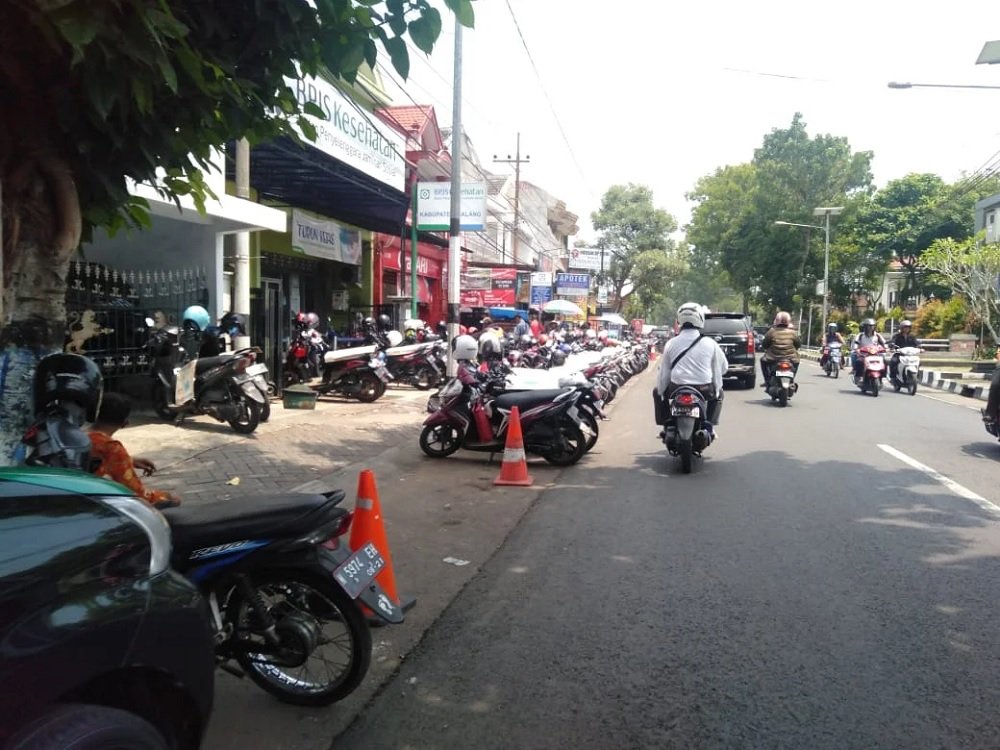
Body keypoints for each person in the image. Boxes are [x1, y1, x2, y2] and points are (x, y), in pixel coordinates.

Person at [88, 392, 181, 508]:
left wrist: (128, 460)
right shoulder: (111, 448)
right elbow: (135, 493)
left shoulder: (81, 437)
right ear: (125, 423)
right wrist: (165, 498)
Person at [653, 302, 727, 435]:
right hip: (703, 388)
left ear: (679, 320)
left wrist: (660, 390)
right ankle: (708, 426)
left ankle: (666, 423)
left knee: (656, 391)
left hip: (676, 387)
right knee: (719, 393)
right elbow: (723, 368)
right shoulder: (710, 343)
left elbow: (664, 373)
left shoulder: (671, 343)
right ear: (700, 319)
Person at [760, 311, 802, 385]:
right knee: (797, 361)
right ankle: (792, 379)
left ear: (776, 321)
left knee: (762, 361)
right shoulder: (793, 332)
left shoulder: (771, 331)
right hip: (791, 358)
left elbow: (765, 344)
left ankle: (767, 381)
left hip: (773, 358)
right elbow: (798, 345)